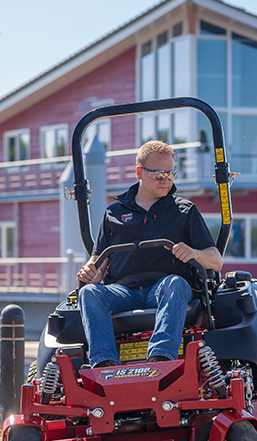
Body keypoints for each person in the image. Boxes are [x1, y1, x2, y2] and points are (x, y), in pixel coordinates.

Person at [77, 140, 223, 368]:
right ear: (139, 172)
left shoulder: (184, 210)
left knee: (175, 283)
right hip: (123, 291)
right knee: (89, 293)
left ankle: (160, 360)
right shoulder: (114, 213)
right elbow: (98, 264)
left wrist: (193, 252)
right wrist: (89, 272)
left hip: (164, 289)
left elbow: (216, 260)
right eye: (158, 174)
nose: (166, 179)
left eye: (170, 173)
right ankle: (104, 364)